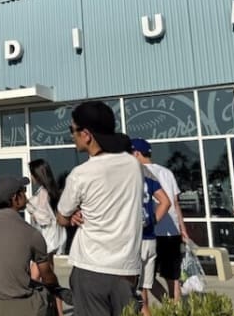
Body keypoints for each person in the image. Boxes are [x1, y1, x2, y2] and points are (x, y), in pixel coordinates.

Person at [57, 101, 143, 316]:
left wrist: (73, 216)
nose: (71, 136)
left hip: (91, 267)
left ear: (86, 134)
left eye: (72, 130)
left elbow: (61, 217)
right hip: (127, 267)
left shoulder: (81, 174)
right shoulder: (133, 165)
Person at [0, 176, 62, 316]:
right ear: (15, 198)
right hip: (22, 306)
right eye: (23, 191)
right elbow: (47, 275)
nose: (26, 195)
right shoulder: (30, 232)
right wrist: (57, 290)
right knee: (50, 293)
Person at [130, 137, 189, 303]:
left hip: (152, 232)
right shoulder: (166, 172)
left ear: (136, 153)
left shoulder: (138, 173)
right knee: (173, 277)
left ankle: (164, 304)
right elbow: (175, 204)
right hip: (172, 232)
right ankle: (175, 309)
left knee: (145, 279)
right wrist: (182, 229)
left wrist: (151, 221)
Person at [127, 142, 171, 316]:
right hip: (149, 237)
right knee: (143, 288)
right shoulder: (149, 174)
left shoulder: (127, 175)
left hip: (134, 238)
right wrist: (153, 220)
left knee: (128, 288)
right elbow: (165, 201)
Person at [26, 158, 67, 316]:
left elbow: (43, 217)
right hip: (52, 239)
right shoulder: (51, 191)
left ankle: (35, 310)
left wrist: (29, 207)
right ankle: (58, 311)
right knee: (51, 278)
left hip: (46, 240)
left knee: (33, 277)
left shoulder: (43, 193)